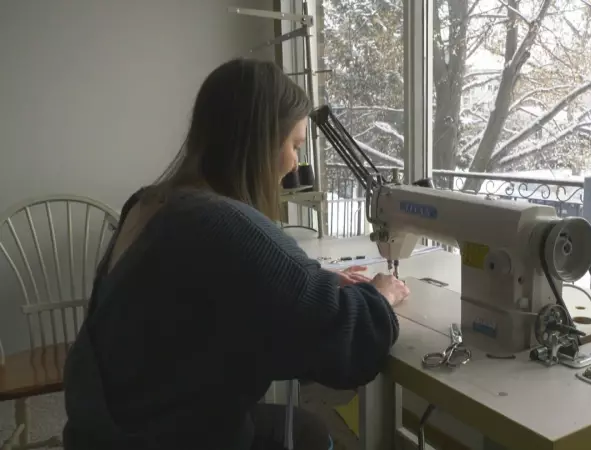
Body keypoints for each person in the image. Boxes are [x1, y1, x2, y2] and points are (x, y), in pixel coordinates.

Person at [62, 59, 411, 450]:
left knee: (307, 429)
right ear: (261, 142)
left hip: (106, 428)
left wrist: (316, 284)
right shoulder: (221, 224)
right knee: (310, 437)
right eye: (295, 146)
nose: (295, 164)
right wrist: (380, 295)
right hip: (160, 438)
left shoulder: (148, 203)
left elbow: (219, 298)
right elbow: (346, 340)